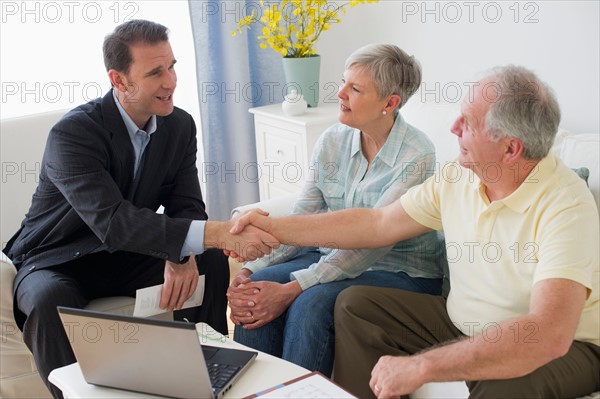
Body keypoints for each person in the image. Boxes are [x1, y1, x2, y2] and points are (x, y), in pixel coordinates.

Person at [230, 65, 600, 398]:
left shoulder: (566, 206)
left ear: (510, 149)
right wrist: (273, 228)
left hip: (570, 346)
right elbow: (377, 224)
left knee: (505, 379)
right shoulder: (460, 175)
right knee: (358, 306)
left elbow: (547, 333)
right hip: (459, 321)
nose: (454, 129)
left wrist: (421, 366)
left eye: (468, 123)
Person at [3, 20, 277, 398]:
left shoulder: (179, 125)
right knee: (51, 300)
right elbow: (113, 222)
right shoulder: (73, 135)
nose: (171, 81)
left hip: (125, 254)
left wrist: (184, 252)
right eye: (155, 72)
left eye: (172, 66)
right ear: (119, 80)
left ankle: (206, 377)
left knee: (210, 262)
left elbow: (187, 205)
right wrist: (213, 233)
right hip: (59, 259)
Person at [227, 44, 446, 377]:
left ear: (390, 103)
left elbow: (371, 243)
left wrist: (293, 288)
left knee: (310, 304)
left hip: (402, 271)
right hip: (334, 256)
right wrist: (251, 269)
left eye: (355, 89)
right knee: (256, 289)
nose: (340, 93)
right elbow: (302, 219)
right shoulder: (332, 140)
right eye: (344, 82)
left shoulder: (417, 156)